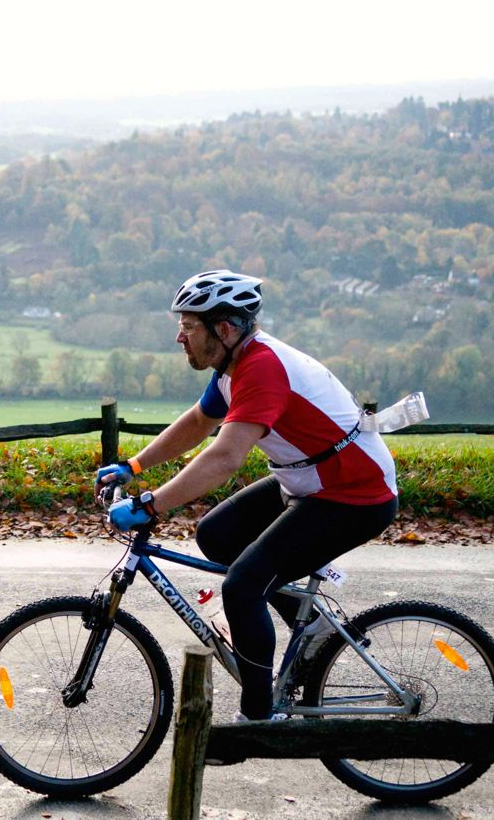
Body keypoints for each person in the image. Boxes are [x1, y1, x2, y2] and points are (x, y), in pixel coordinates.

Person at [95, 269, 398, 722]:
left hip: (353, 494)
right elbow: (199, 422)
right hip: (308, 479)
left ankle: (260, 717)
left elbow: (225, 458)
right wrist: (134, 466)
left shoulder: (261, 369)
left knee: (242, 587)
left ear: (224, 328)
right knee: (216, 535)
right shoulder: (233, 365)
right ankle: (309, 622)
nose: (180, 337)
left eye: (188, 326)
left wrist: (148, 504)